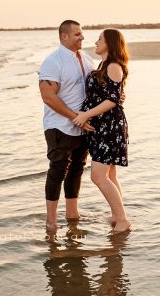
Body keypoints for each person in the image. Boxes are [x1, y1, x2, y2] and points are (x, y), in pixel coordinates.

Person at [38, 20, 96, 231]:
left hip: (83, 126)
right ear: (64, 36)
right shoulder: (53, 62)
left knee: (77, 169)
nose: (82, 37)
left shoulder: (88, 60)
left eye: (81, 34)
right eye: (77, 34)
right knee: (57, 170)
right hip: (59, 126)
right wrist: (73, 116)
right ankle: (51, 221)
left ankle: (72, 214)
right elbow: (48, 97)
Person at [73, 29, 131, 234]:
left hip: (109, 128)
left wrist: (85, 114)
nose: (95, 42)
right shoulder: (104, 65)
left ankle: (123, 220)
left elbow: (113, 99)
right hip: (103, 128)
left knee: (98, 176)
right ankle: (117, 215)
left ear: (110, 43)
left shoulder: (113, 66)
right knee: (110, 174)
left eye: (100, 39)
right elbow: (113, 95)